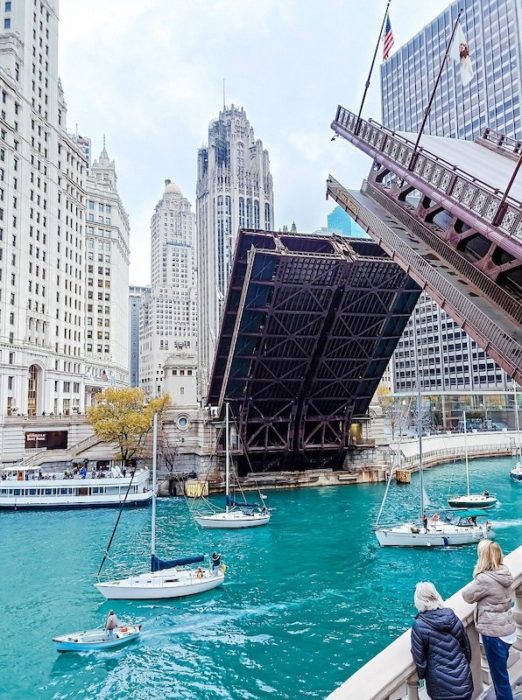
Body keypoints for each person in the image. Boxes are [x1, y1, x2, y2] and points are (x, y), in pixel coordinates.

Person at [462, 540, 516, 700]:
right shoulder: (504, 572)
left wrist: (478, 574)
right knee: (501, 674)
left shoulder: (485, 579)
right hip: (508, 630)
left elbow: (466, 596)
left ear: (483, 557)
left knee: (500, 679)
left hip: (495, 634)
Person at [411, 582, 473, 700]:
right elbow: (466, 648)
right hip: (464, 681)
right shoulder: (451, 615)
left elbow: (420, 661)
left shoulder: (419, 625)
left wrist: (424, 676)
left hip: (441, 688)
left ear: (419, 601)